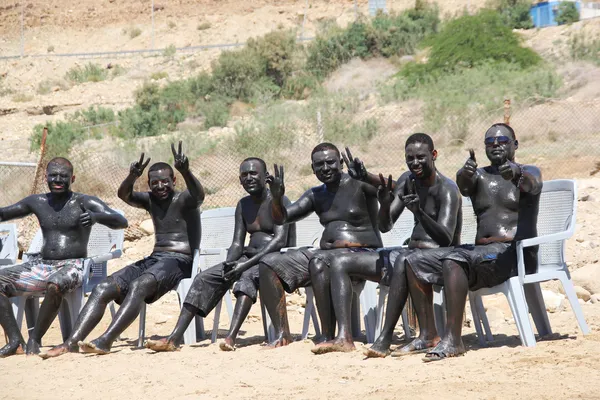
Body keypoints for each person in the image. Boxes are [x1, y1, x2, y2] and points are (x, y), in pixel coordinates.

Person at [41, 142, 204, 357]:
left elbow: (199, 195)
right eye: (155, 183)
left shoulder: (184, 199)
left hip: (181, 261)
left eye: (166, 181)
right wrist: (132, 176)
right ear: (149, 184)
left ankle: (106, 340)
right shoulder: (151, 200)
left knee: (139, 284)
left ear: (174, 181)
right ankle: (71, 342)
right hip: (156, 259)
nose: (160, 186)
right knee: (104, 287)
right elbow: (124, 195)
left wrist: (186, 171)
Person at [313, 134, 462, 355]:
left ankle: (386, 338)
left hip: (440, 258)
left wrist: (419, 212)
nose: (415, 163)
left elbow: (446, 239)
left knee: (404, 258)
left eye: (421, 157)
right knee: (340, 261)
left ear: (434, 155)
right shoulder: (407, 180)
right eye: (410, 158)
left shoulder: (447, 188)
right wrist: (383, 204)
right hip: (411, 255)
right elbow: (385, 226)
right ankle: (344, 337)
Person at [415, 123, 542, 361]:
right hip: (483, 256)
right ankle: (427, 334)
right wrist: (464, 174)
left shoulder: (530, 171)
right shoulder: (479, 176)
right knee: (415, 260)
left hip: (514, 254)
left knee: (454, 259)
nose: (495, 145)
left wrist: (514, 173)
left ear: (515, 144)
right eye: (489, 142)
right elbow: (464, 187)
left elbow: (531, 185)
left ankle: (453, 341)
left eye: (502, 141)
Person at [145, 157, 294, 352]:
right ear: (239, 180)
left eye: (253, 173)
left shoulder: (280, 200)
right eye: (244, 175)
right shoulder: (243, 205)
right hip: (248, 258)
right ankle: (174, 338)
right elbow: (236, 243)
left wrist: (243, 266)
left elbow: (279, 241)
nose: (248, 178)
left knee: (246, 278)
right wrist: (229, 265)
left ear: (266, 176)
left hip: (274, 261)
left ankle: (231, 337)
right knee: (203, 278)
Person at [259, 142, 383, 348]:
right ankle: (282, 334)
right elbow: (282, 218)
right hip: (325, 255)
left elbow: (396, 190)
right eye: (319, 165)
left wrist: (368, 176)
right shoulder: (315, 194)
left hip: (363, 253)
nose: (325, 168)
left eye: (330, 162)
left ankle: (329, 335)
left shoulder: (360, 184)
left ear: (341, 163)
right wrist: (277, 198)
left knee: (320, 261)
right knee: (268, 263)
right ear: (312, 168)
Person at [0, 157, 128, 357]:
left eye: (63, 176)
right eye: (53, 175)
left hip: (73, 266)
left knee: (55, 284)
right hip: (40, 265)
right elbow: (4, 214)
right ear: (45, 177)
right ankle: (15, 341)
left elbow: (121, 221)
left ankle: (35, 339)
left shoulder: (84, 201)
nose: (58, 180)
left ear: (73, 178)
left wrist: (97, 217)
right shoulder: (36, 202)